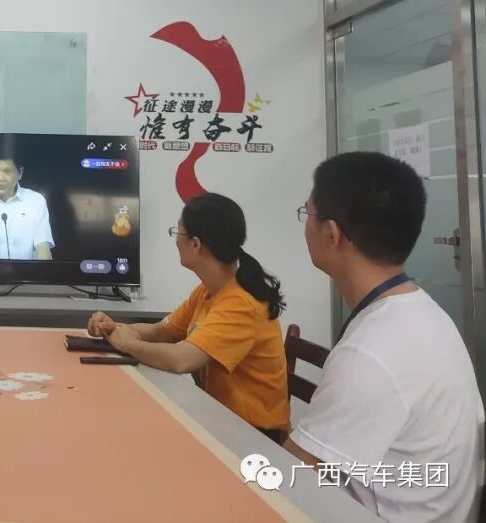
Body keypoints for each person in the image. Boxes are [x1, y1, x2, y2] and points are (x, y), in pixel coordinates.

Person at [286, 152, 484, 522]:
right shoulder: (421, 313)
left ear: (331, 234)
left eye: (307, 212)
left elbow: (290, 480)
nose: (305, 224)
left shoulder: (371, 352)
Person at [89, 192, 289, 440]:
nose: (176, 241)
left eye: (178, 232)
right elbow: (162, 332)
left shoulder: (241, 303)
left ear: (195, 244)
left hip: (252, 434)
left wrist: (127, 344)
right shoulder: (206, 291)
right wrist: (116, 327)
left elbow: (181, 360)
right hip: (218, 417)